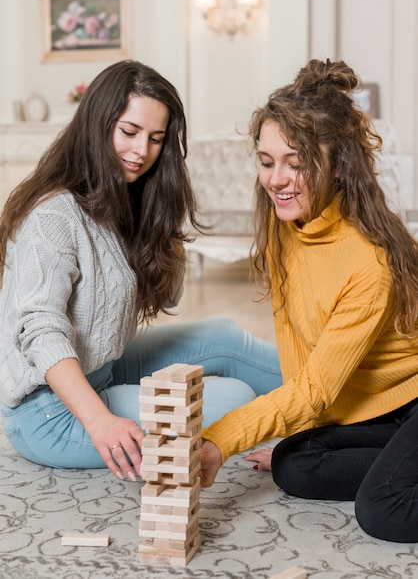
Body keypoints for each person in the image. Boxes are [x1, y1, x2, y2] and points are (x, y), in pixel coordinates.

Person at [0, 60, 282, 483]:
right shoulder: (54, 215)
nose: (141, 152)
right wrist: (102, 423)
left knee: (223, 335)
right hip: (48, 413)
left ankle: (344, 390)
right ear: (97, 125)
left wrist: (159, 219)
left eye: (155, 139)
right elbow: (40, 328)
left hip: (102, 364)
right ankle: (313, 422)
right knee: (235, 399)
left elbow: (169, 296)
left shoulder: (121, 196)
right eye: (128, 132)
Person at [199, 58, 418, 543]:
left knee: (382, 508)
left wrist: (221, 439)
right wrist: (289, 435)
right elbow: (301, 354)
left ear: (337, 164)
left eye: (296, 164)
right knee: (292, 463)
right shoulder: (286, 227)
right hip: (382, 413)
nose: (277, 179)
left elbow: (315, 389)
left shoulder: (369, 260)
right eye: (266, 161)